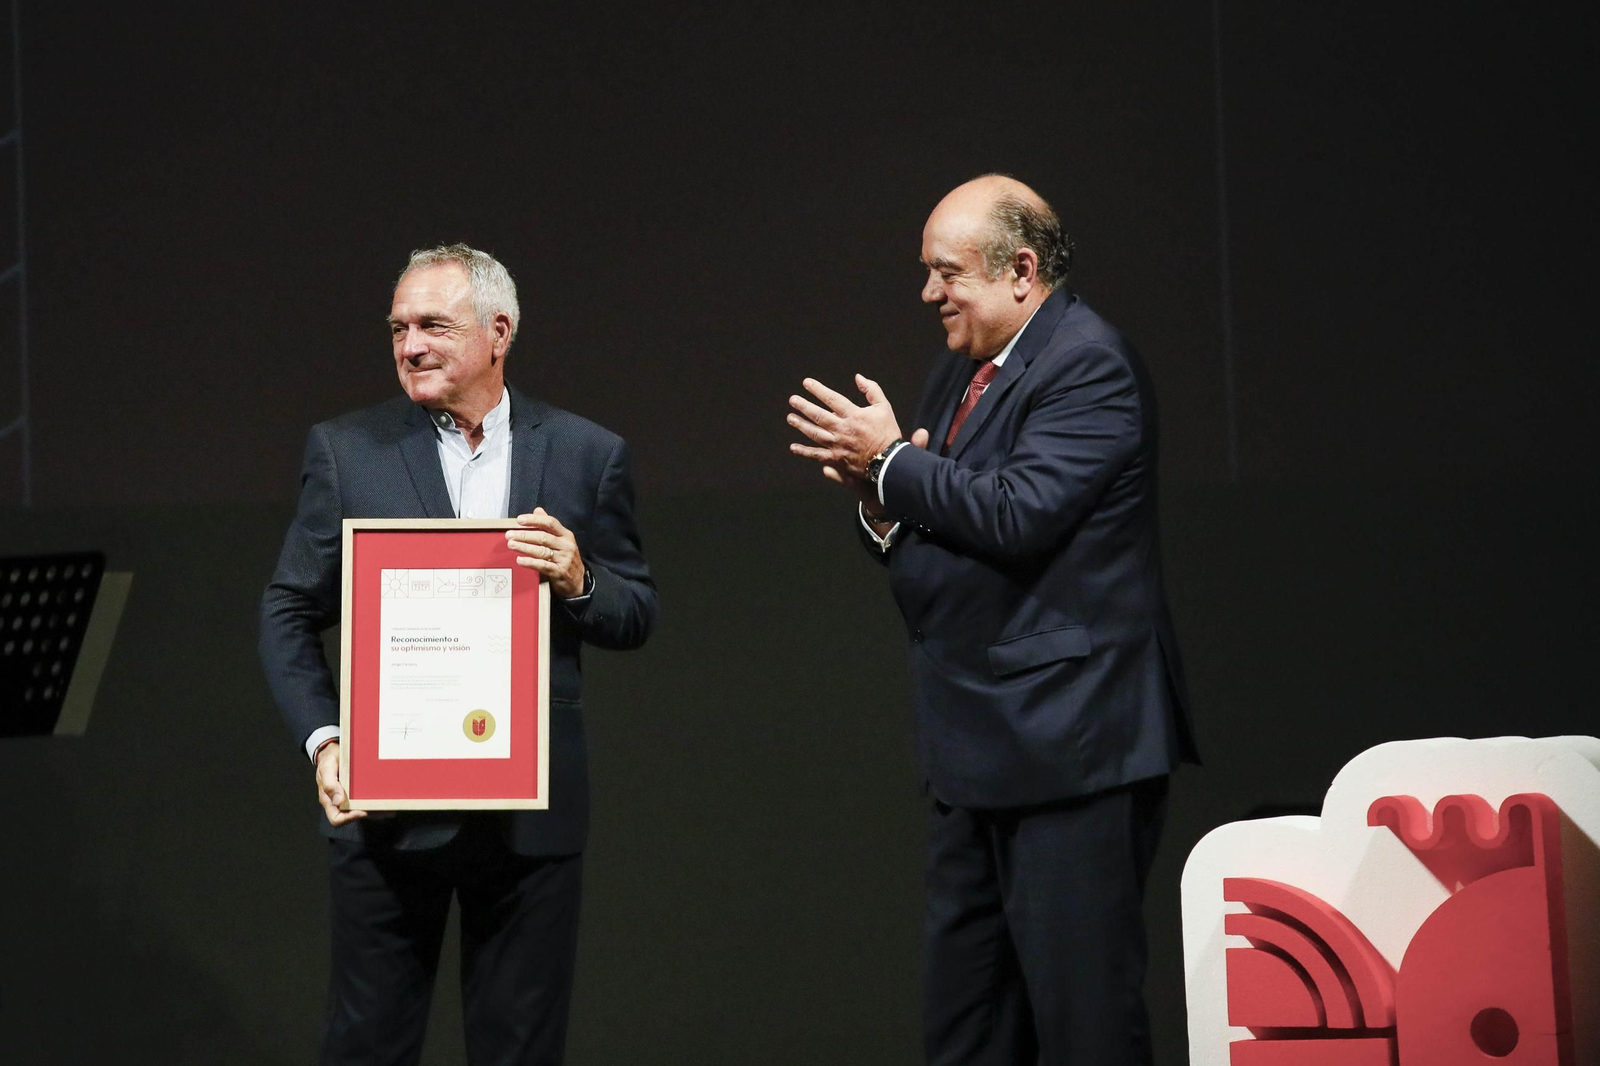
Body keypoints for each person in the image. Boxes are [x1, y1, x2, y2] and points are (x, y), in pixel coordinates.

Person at [787, 175, 1197, 1064]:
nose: (928, 292)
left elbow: (1017, 514)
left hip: (1069, 750)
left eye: (946, 272)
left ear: (1020, 270)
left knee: (1083, 1025)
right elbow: (941, 519)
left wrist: (894, 463)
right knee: (967, 1030)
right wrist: (884, 498)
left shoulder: (1089, 365)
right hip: (973, 749)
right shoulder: (961, 371)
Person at [259, 243, 657, 1065]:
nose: (409, 345)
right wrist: (325, 741)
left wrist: (580, 575)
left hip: (529, 821)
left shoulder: (586, 452)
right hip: (386, 814)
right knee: (367, 1047)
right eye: (398, 328)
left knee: (520, 1052)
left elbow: (636, 611)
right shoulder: (347, 450)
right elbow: (288, 606)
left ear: (498, 331)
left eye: (433, 325)